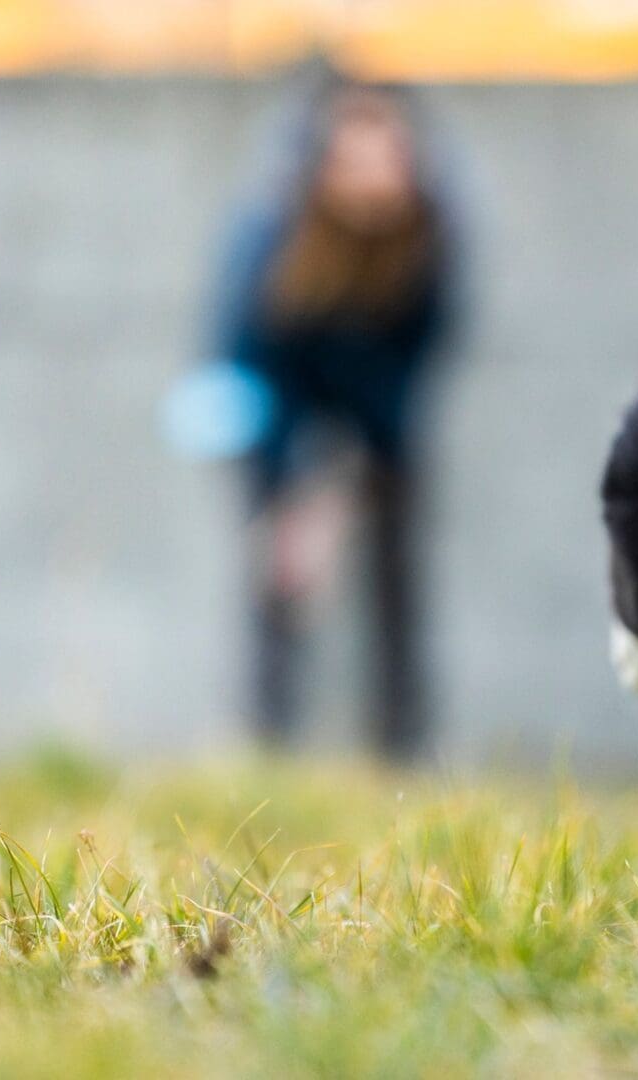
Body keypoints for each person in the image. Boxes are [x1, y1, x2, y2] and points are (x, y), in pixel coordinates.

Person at [208, 71, 459, 759]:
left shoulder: (432, 238)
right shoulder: (270, 238)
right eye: (352, 158)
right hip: (281, 424)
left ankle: (400, 749)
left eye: (388, 156)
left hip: (381, 429)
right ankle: (265, 743)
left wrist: (351, 471)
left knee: (395, 589)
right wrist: (299, 485)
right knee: (279, 576)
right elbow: (247, 357)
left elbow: (417, 360)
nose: (371, 177)